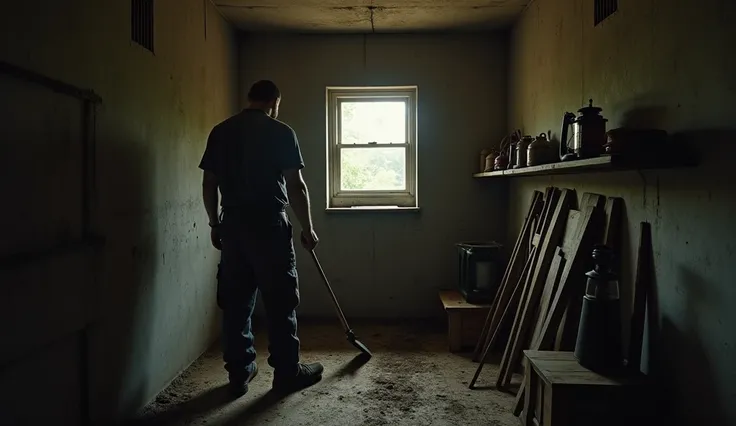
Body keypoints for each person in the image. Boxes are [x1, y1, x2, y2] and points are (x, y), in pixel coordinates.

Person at [198, 80, 323, 397]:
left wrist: (215, 224)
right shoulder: (281, 132)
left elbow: (209, 183)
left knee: (236, 302)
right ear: (275, 101)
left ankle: (239, 373)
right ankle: (286, 373)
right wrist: (307, 227)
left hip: (234, 226)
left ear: (249, 99)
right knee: (281, 301)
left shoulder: (221, 131)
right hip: (269, 225)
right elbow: (296, 186)